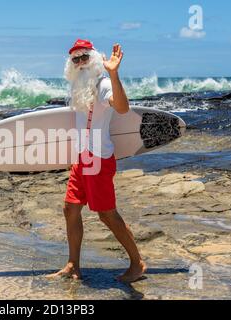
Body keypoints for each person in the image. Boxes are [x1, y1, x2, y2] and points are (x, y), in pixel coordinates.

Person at [47, 39, 147, 283]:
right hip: (82, 159)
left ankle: (137, 262)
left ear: (93, 58)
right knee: (70, 208)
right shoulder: (79, 86)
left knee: (106, 214)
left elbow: (122, 108)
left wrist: (114, 74)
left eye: (84, 58)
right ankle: (73, 265)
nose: (80, 63)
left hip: (99, 160)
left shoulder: (103, 83)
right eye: (75, 59)